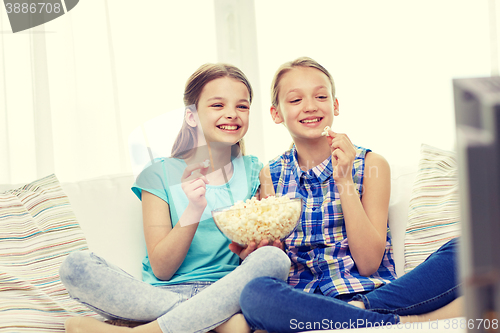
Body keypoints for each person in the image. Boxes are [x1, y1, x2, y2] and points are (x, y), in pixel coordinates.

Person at [59, 63, 291, 333]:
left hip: (227, 291)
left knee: (276, 260)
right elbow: (162, 269)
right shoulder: (158, 173)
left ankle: (149, 330)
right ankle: (213, 322)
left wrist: (257, 249)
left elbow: (261, 255)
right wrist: (194, 208)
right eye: (218, 105)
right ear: (191, 116)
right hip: (162, 295)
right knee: (75, 266)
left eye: (242, 106)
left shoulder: (256, 172)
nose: (232, 114)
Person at [236, 57, 462, 332]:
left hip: (368, 294)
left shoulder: (371, 164)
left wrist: (343, 179)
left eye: (320, 96)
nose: (310, 106)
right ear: (276, 113)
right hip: (303, 302)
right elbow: (277, 260)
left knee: (468, 249)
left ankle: (354, 315)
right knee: (254, 293)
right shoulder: (269, 174)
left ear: (335, 105)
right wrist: (266, 250)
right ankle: (391, 323)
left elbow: (367, 264)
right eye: (295, 100)